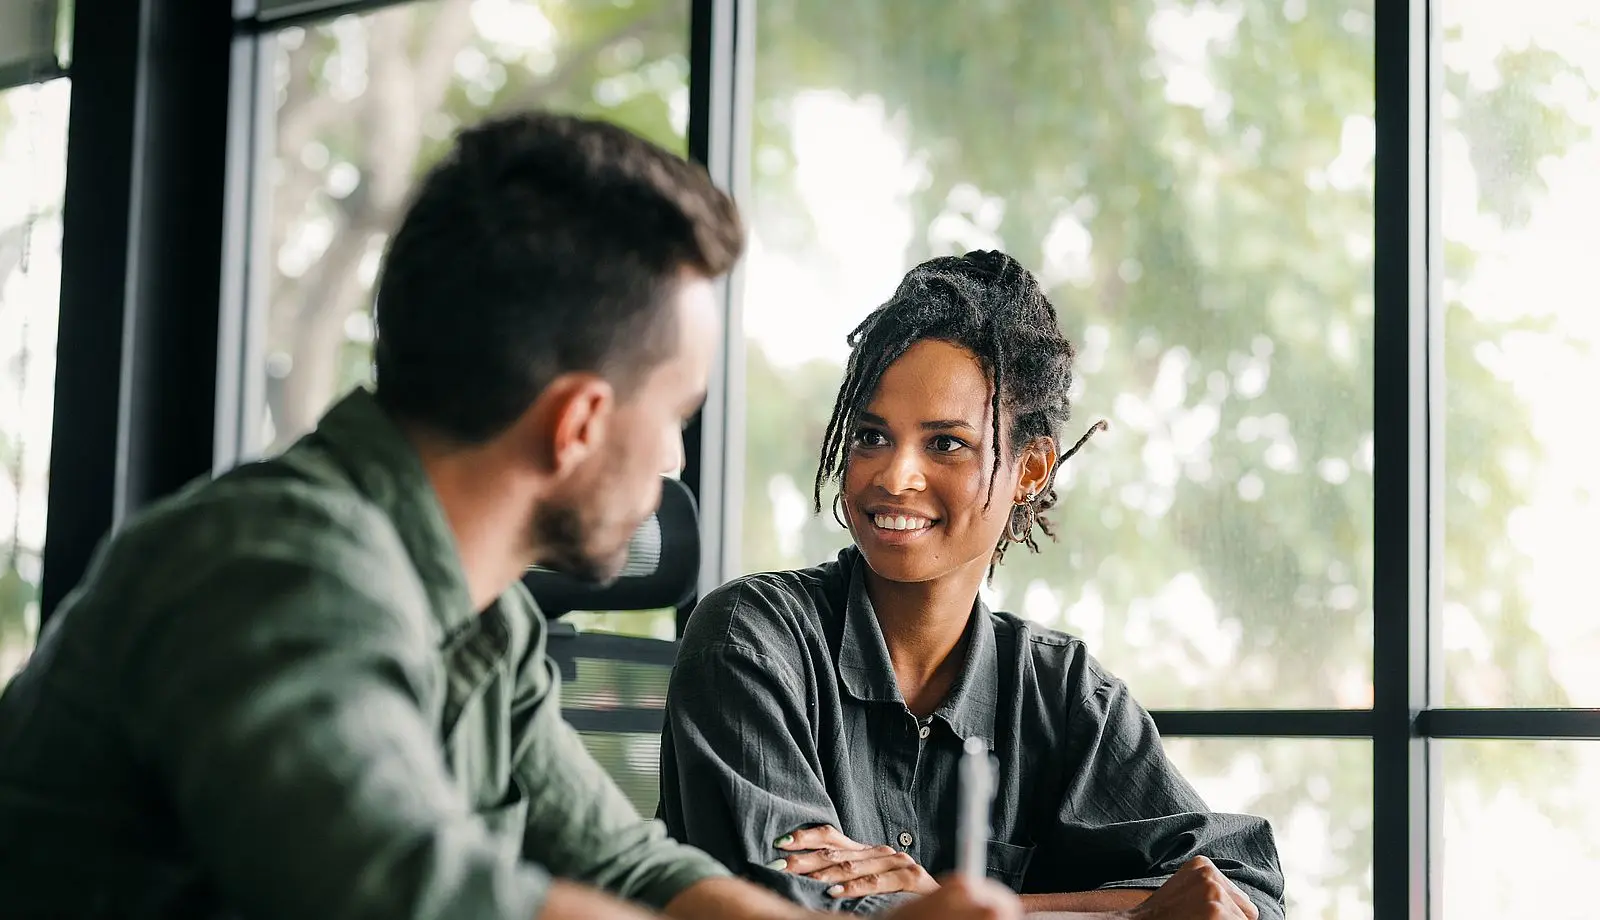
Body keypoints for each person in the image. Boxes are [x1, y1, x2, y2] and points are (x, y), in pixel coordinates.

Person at [0, 113, 1019, 920]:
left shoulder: (489, 623)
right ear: (577, 421)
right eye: (675, 417)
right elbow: (425, 892)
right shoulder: (274, 572)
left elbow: (620, 856)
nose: (673, 460)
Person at [659, 251, 1286, 919]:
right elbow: (801, 910)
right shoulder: (750, 641)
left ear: (1030, 470)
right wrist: (1125, 916)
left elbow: (1242, 888)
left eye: (946, 443)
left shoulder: (1062, 693)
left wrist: (962, 906)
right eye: (872, 436)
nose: (894, 476)